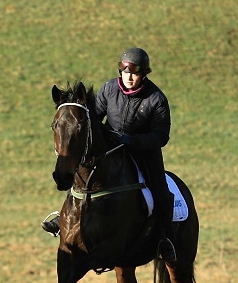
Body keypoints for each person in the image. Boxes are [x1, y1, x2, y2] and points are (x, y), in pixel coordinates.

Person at [41, 47, 177, 262]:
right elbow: (93, 118)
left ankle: (165, 240)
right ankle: (63, 218)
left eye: (135, 73)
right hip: (112, 148)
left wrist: (131, 140)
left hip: (144, 153)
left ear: (143, 74)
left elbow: (161, 136)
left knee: (161, 192)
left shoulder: (156, 98)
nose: (130, 77)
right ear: (120, 71)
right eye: (126, 71)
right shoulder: (109, 89)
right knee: (82, 175)